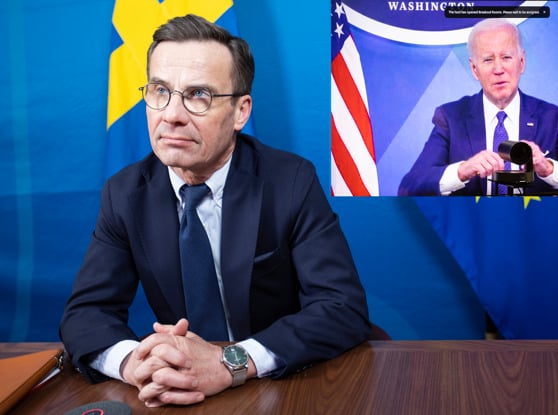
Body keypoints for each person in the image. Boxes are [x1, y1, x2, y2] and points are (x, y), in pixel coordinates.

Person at [59, 14, 371, 407]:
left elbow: (341, 307)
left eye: (198, 96)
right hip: (178, 392)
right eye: (160, 91)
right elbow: (86, 314)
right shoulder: (125, 193)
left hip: (284, 385)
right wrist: (133, 363)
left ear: (241, 112)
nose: (171, 114)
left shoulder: (290, 181)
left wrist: (230, 363)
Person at [397, 18, 558, 196]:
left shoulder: (553, 118)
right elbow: (410, 186)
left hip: (534, 231)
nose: (498, 69)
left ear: (521, 62)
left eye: (506, 57)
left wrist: (546, 168)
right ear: (474, 69)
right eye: (488, 59)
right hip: (474, 233)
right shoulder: (450, 118)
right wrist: (462, 170)